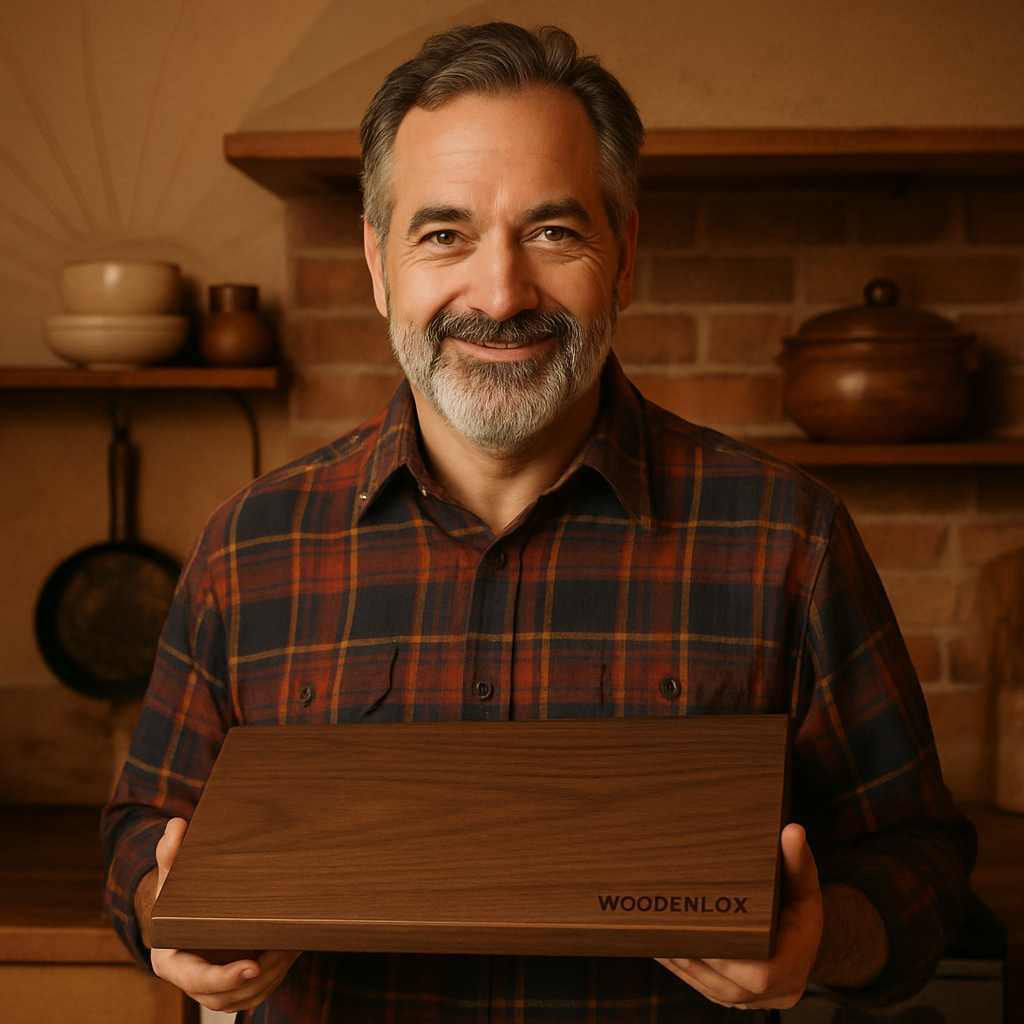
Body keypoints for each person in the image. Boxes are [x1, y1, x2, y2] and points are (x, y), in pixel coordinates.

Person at [102, 22, 976, 1024]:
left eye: (553, 232)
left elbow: (921, 868)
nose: (502, 293)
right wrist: (169, 916)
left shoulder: (791, 540)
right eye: (444, 234)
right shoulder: (250, 546)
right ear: (379, 264)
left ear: (625, 254)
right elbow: (140, 836)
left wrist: (826, 938)